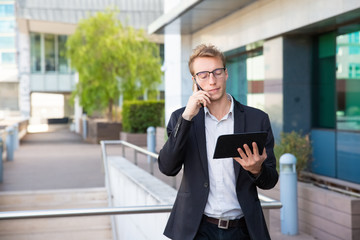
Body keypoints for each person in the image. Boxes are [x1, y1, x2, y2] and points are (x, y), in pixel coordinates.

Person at [158, 44, 278, 240]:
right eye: (203, 75)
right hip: (197, 229)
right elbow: (167, 167)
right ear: (194, 81)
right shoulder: (182, 118)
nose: (212, 81)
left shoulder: (257, 119)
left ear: (226, 73)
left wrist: (257, 170)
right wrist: (188, 116)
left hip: (243, 230)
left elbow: (270, 180)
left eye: (217, 72)